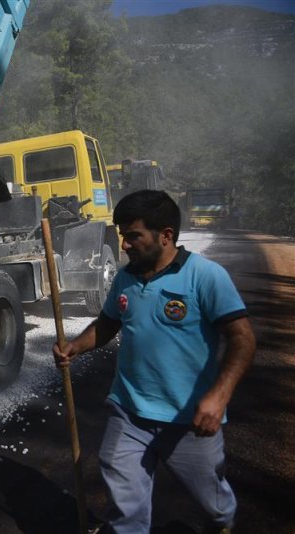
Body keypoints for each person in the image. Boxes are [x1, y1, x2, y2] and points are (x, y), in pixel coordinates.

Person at [52, 190, 256, 533]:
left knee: (214, 505)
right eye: (122, 236)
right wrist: (75, 346)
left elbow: (242, 339)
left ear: (166, 235)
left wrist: (219, 396)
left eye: (133, 236)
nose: (125, 245)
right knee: (124, 505)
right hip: (129, 413)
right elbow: (108, 324)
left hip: (189, 419)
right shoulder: (125, 278)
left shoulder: (205, 276)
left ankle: (222, 524)